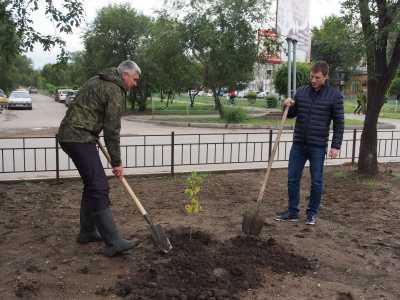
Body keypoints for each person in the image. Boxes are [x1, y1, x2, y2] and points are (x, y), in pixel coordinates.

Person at [57, 60, 141, 256]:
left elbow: (85, 109)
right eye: (135, 79)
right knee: (99, 186)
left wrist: (91, 130)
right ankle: (113, 242)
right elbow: (112, 129)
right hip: (79, 137)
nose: (135, 84)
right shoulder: (115, 90)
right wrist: (117, 163)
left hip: (72, 135)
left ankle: (87, 232)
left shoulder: (98, 79)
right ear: (125, 75)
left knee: (92, 184)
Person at [275, 61, 344, 225]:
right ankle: (292, 212)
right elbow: (291, 114)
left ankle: (312, 214)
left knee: (317, 181)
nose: (313, 80)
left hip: (318, 146)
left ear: (325, 77)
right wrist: (285, 105)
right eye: (312, 76)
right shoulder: (301, 92)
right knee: (292, 178)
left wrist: (336, 146)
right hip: (299, 144)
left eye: (317, 77)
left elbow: (339, 123)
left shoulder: (334, 96)